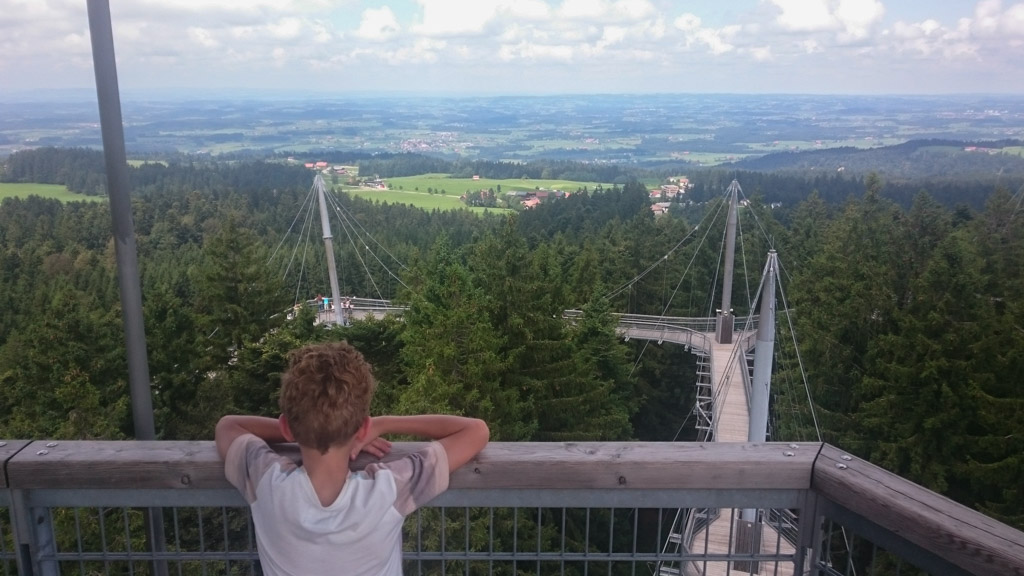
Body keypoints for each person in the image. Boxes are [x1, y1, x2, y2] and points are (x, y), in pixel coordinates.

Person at [216, 341, 489, 576]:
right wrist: (384, 424)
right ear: (363, 429)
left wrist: (306, 428)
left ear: (287, 427)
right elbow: (475, 431)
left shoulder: (266, 481)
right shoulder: (388, 490)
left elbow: (228, 426)